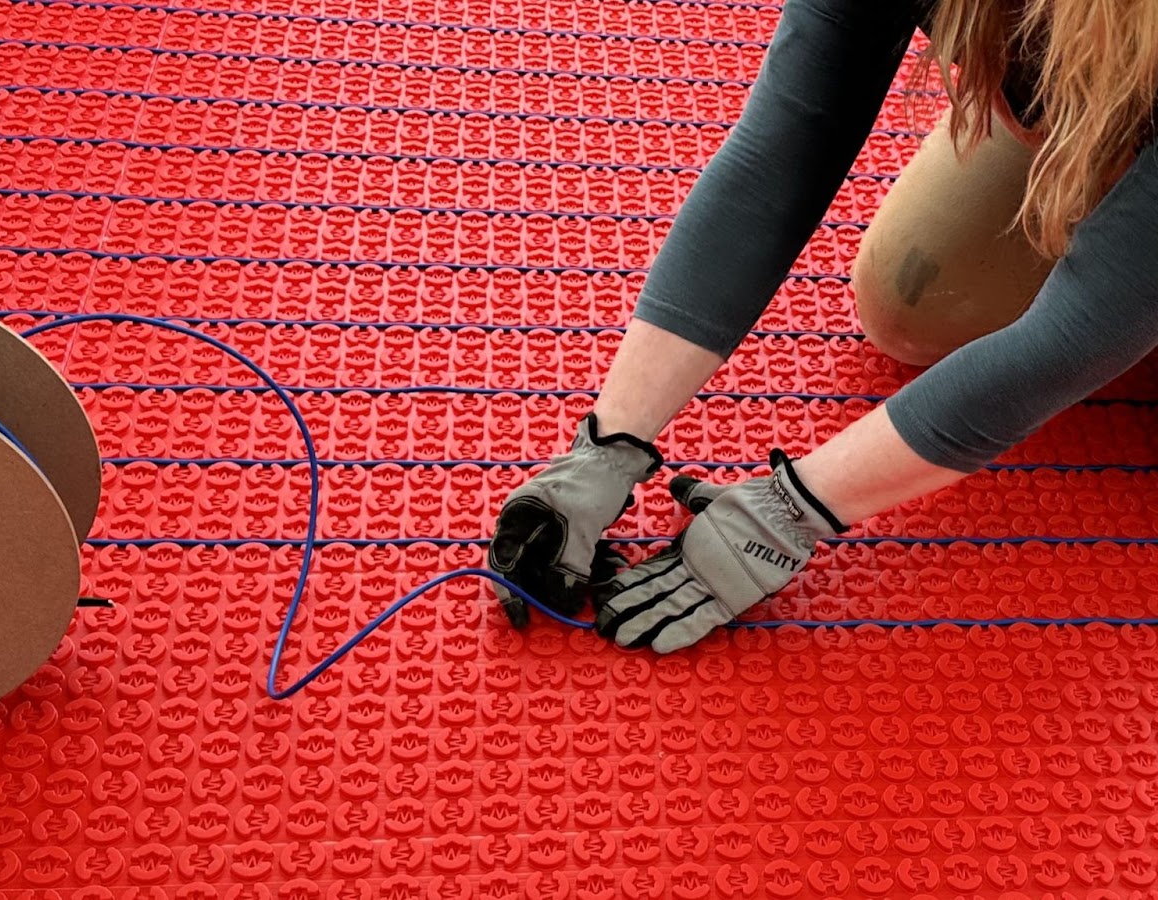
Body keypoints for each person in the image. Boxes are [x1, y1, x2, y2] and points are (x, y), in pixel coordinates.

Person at [487, 0, 1158, 651]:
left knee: (1126, 317)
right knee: (910, 302)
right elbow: (783, 145)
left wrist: (793, 509)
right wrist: (607, 444)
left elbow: (1079, 332)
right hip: (1091, 77)